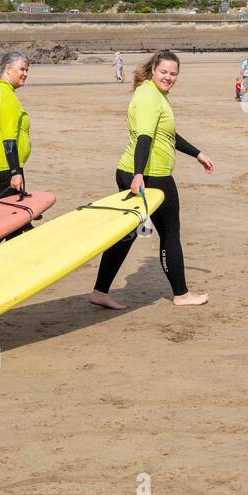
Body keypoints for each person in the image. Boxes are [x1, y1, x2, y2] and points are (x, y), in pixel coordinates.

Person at [87, 50, 214, 310]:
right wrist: (138, 175)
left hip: (135, 171)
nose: (169, 77)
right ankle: (181, 294)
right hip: (152, 175)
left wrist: (197, 154)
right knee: (170, 234)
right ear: (153, 69)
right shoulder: (149, 97)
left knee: (127, 234)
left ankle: (100, 291)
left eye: (173, 74)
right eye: (164, 72)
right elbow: (145, 138)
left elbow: (168, 135)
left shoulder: (152, 94)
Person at [0, 51, 32, 199]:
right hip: (7, 165)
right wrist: (15, 173)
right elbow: (9, 138)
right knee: (16, 213)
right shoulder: (6, 95)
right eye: (22, 69)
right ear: (8, 68)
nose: (25, 74)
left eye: (27, 70)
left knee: (13, 212)